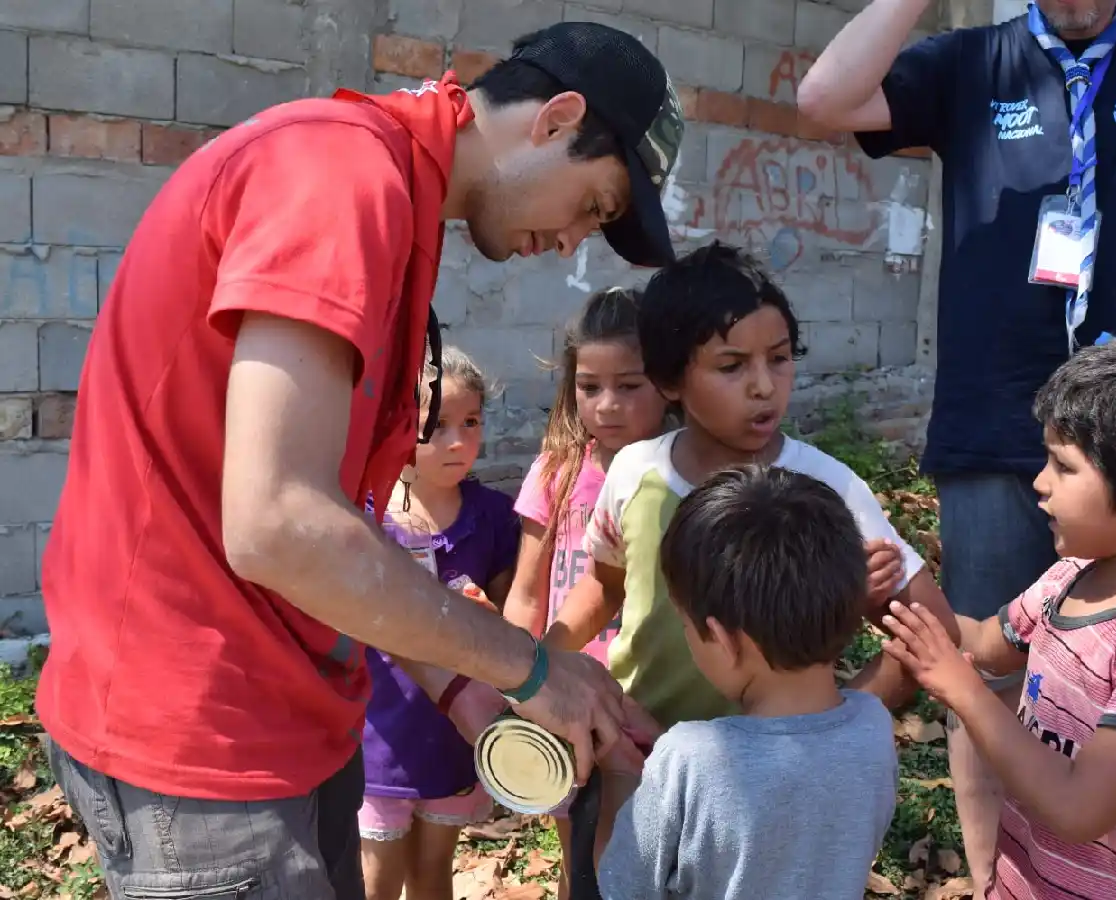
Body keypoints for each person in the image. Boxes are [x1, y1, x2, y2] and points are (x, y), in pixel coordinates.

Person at [35, 21, 682, 900]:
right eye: (594, 205)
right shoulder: (341, 177)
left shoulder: (394, 196)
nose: (573, 241)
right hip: (204, 743)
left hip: (290, 712)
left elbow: (340, 525)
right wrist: (529, 665)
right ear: (556, 118)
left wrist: (462, 688)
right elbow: (278, 523)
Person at [797, 0, 1116, 886]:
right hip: (994, 421)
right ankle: (995, 878)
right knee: (991, 675)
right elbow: (825, 98)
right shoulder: (973, 64)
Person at [546, 240, 958, 854]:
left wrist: (836, 726)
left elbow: (933, 631)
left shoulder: (828, 490)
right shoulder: (633, 473)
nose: (764, 386)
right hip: (631, 754)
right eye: (732, 366)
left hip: (767, 794)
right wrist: (545, 661)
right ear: (668, 379)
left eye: (781, 358)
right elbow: (605, 586)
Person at [881, 324, 1116, 899]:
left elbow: (1080, 807)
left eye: (1063, 466)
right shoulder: (1073, 573)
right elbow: (977, 641)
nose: (1038, 483)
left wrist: (965, 692)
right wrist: (891, 589)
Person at [597, 466, 898, 900]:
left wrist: (621, 773)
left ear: (721, 638)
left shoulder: (684, 758)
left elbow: (622, 885)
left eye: (686, 626)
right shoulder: (873, 726)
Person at [504, 286, 670, 898]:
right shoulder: (557, 472)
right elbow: (526, 591)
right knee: (579, 851)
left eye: (629, 385)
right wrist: (524, 682)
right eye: (589, 386)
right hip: (567, 697)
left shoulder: (677, 477)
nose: (607, 405)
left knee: (642, 855)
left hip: (646, 703)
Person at [358, 347, 519, 900]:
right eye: (436, 425)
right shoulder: (369, 514)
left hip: (455, 730)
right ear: (399, 425)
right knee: (376, 880)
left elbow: (510, 617)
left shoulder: (493, 517)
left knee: (434, 872)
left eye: (470, 422)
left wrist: (488, 619)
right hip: (380, 731)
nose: (457, 442)